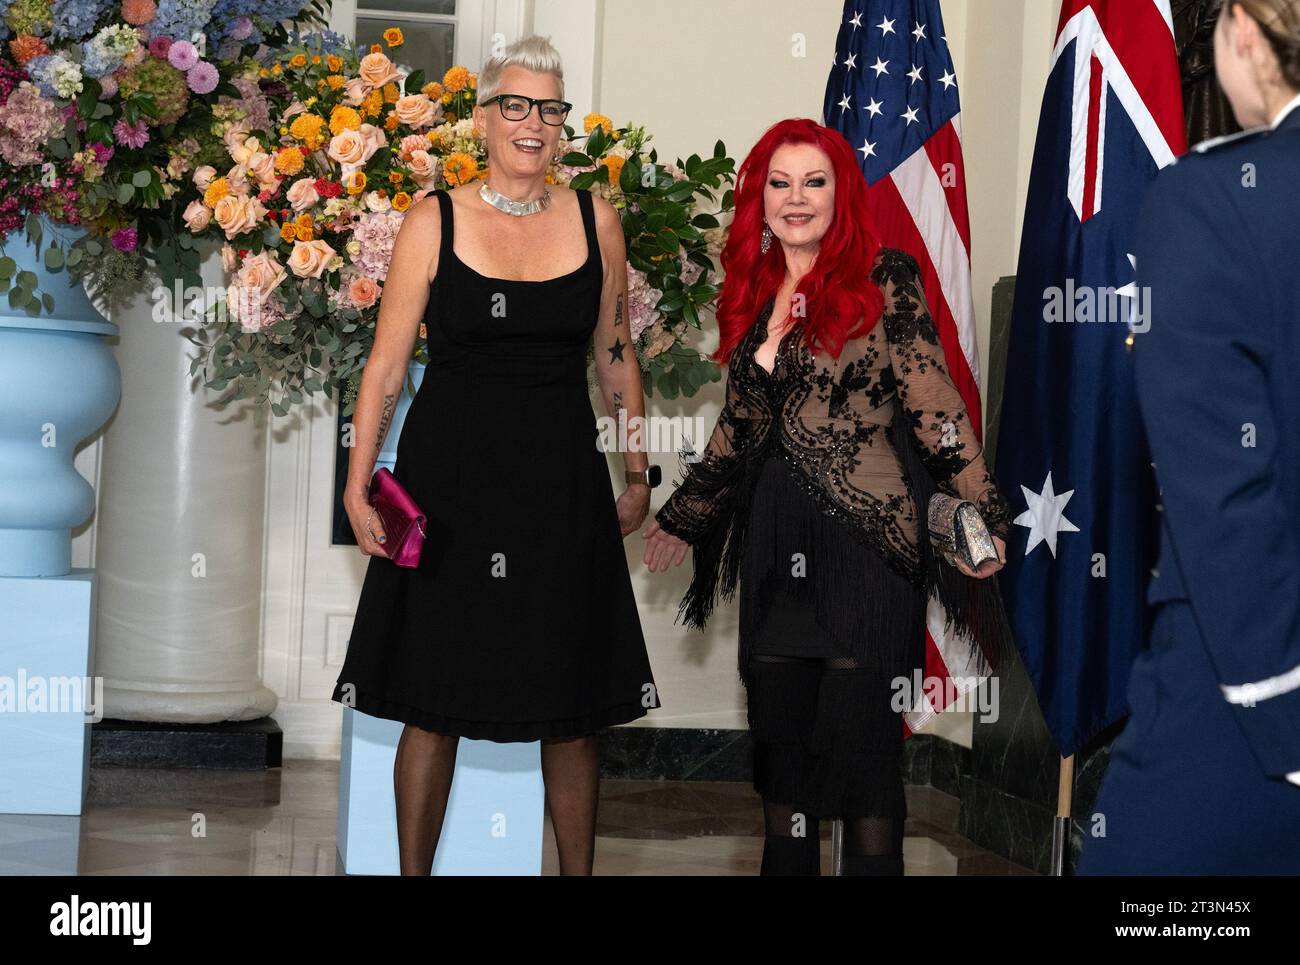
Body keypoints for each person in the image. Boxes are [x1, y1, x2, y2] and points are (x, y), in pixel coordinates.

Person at [643, 118, 1012, 876]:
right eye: (780, 183)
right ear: (760, 198)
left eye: (814, 181)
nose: (796, 197)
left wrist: (981, 510)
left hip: (869, 548)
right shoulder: (751, 288)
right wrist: (686, 514)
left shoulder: (885, 273)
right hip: (778, 549)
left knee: (863, 760)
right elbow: (743, 422)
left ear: (841, 194)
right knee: (782, 751)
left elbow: (932, 401)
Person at [330, 35, 660, 876]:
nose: (533, 123)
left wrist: (634, 470)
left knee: (572, 705)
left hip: (560, 487)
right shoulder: (432, 219)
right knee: (432, 701)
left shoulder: (598, 219)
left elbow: (617, 355)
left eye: (549, 109)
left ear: (561, 129)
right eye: (515, 105)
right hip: (450, 490)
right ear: (483, 118)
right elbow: (386, 362)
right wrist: (359, 479)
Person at [1078, 0, 1300, 874]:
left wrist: (1283, 721)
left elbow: (1224, 499)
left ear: (1243, 30)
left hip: (1244, 700)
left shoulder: (1211, 199)